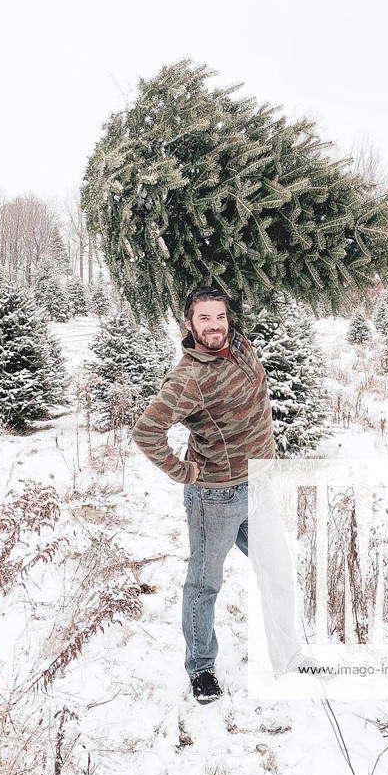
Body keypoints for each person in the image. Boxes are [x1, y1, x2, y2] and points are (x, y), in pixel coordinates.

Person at [132, 286, 278, 703]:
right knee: (204, 584)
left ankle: (287, 647)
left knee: (277, 568)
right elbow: (146, 430)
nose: (214, 326)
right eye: (204, 319)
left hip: (259, 485)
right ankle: (201, 669)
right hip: (216, 497)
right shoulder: (188, 377)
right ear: (189, 324)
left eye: (220, 317)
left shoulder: (241, 345)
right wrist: (181, 471)